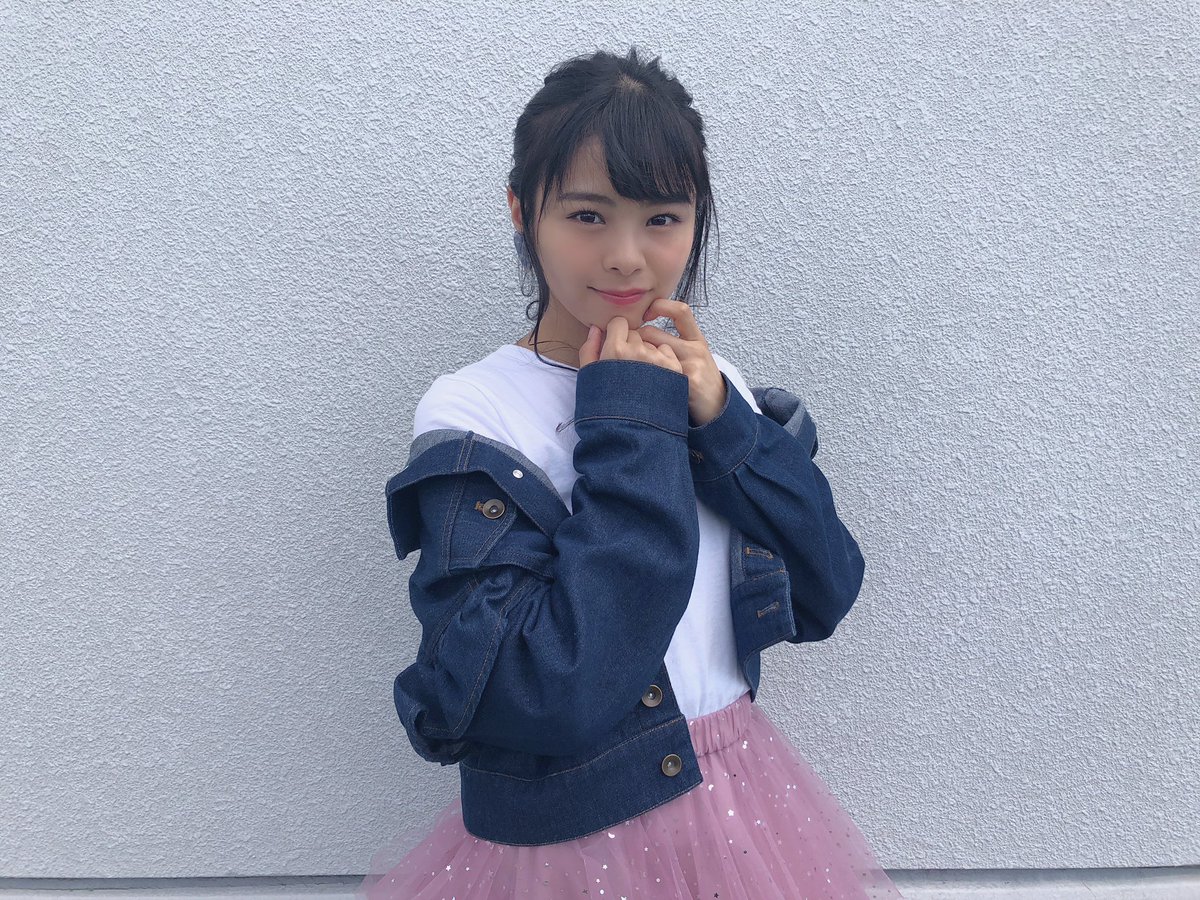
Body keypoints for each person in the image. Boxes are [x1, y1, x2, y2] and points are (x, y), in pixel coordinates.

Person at [357, 46, 905, 900]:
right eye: (587, 215)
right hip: (573, 836)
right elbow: (550, 689)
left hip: (736, 804)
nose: (626, 257)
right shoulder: (475, 411)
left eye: (662, 218)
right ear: (520, 210)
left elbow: (827, 589)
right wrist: (628, 417)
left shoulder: (710, 382)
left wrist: (725, 423)